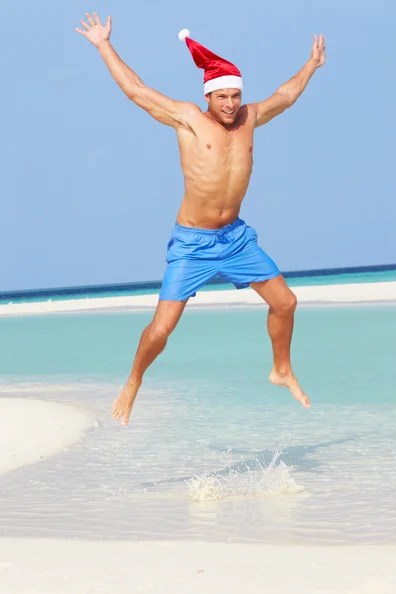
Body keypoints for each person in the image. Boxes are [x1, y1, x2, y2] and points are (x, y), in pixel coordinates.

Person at [76, 13, 326, 426]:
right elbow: (136, 91)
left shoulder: (250, 118)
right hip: (193, 243)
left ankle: (281, 369)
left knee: (286, 303)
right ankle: (135, 379)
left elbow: (286, 95)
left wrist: (311, 66)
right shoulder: (189, 119)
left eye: (234, 95)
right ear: (208, 96)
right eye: (222, 96)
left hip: (236, 239)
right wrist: (103, 45)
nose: (230, 103)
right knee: (160, 331)